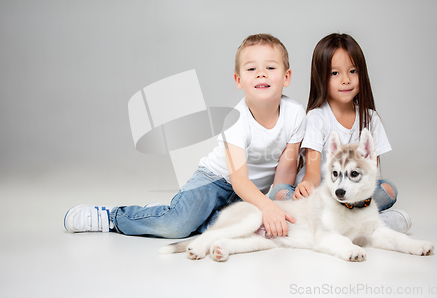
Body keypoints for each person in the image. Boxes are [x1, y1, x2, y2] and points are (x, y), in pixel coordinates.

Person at [64, 34, 306, 238]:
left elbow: (285, 170)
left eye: (270, 68)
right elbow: (239, 181)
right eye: (252, 69)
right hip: (215, 180)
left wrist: (280, 200)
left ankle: (180, 212)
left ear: (286, 76)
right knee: (177, 226)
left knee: (239, 228)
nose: (261, 74)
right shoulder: (235, 120)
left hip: (252, 191)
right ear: (238, 80)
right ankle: (114, 217)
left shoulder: (295, 114)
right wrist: (266, 206)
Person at [268, 33, 412, 233]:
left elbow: (370, 173)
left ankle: (340, 226)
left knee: (388, 190)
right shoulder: (317, 117)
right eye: (335, 73)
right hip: (321, 194)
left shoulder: (371, 119)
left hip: (353, 194)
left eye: (352, 71)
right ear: (321, 77)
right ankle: (368, 226)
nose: (345, 80)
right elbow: (312, 172)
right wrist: (306, 187)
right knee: (280, 193)